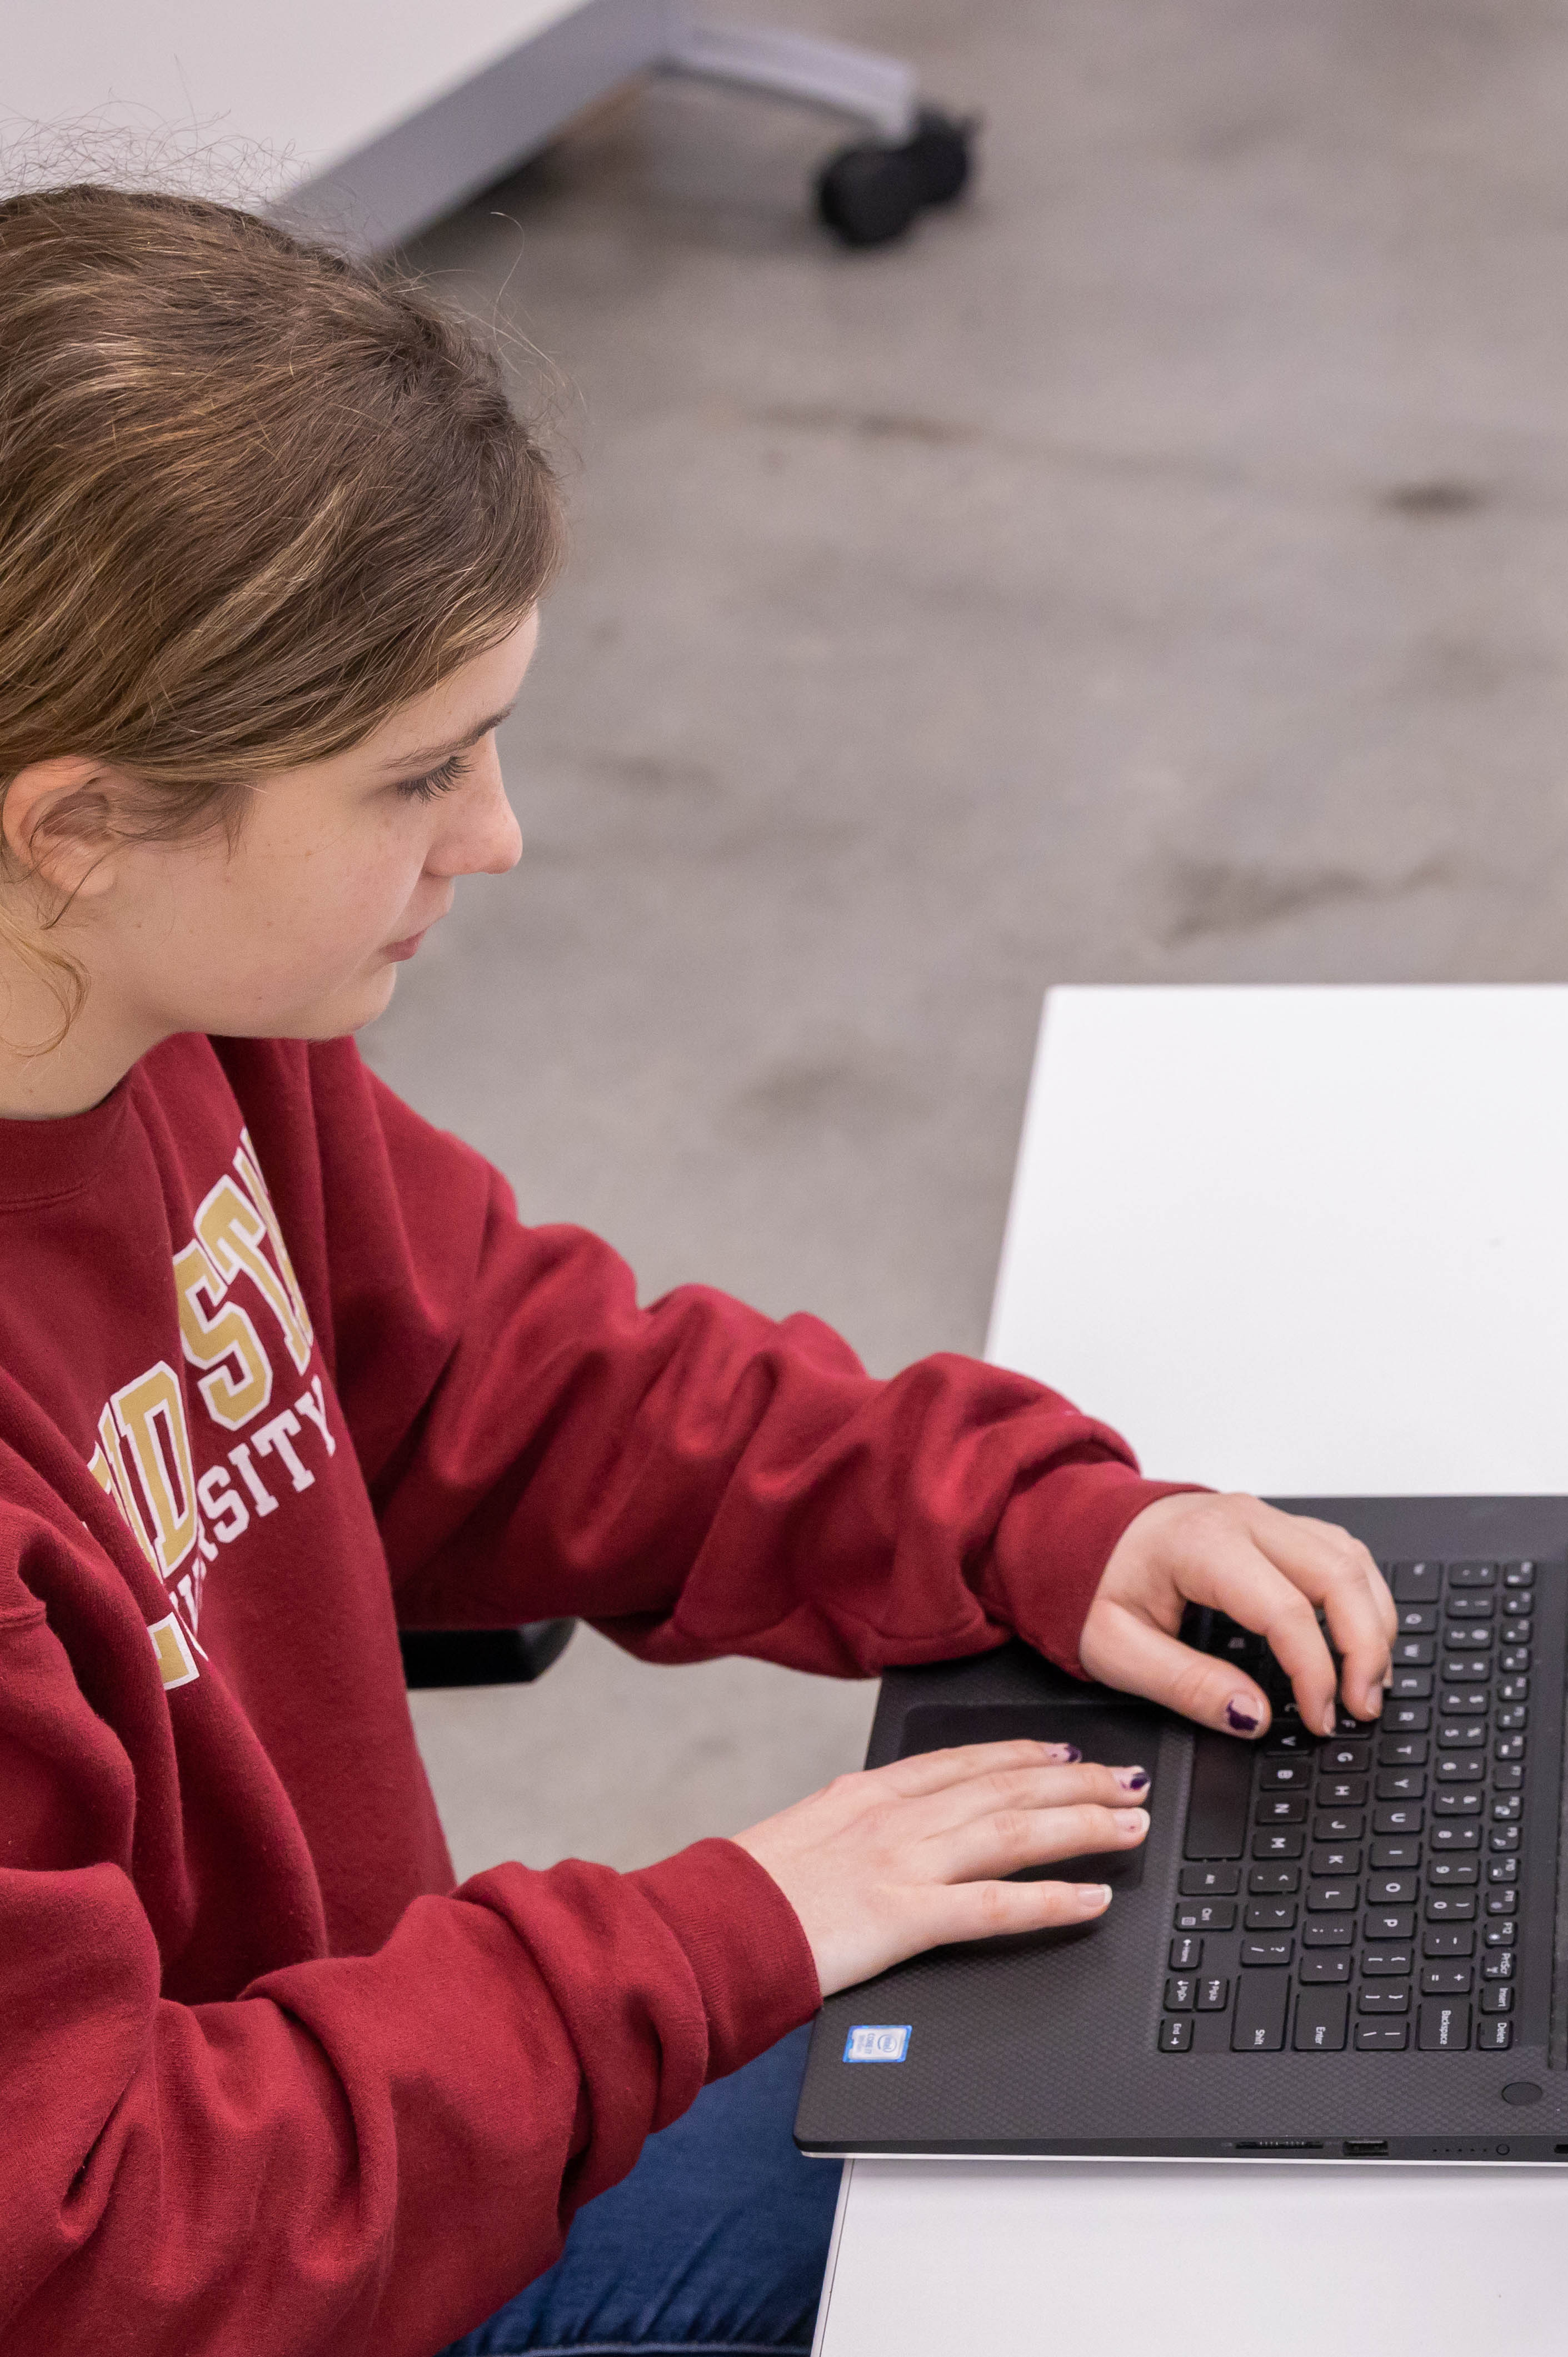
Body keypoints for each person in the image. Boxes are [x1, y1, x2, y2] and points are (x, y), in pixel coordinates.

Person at [0, 186, 1397, 2355]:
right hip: (247, 2266)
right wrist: (727, 1925)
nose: (496, 834)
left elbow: (498, 1375)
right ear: (76, 821)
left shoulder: (155, 1024)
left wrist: (1014, 1515)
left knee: (1200, 2029)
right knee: (1186, 2214)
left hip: (349, 2131)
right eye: (415, 772)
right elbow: (94, 2236)